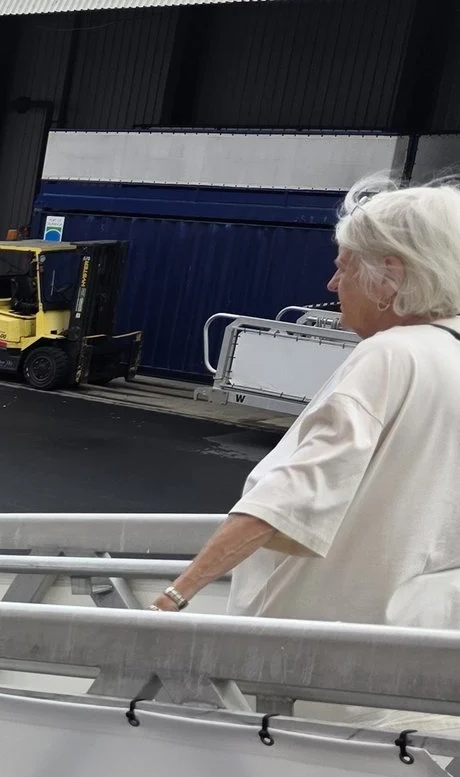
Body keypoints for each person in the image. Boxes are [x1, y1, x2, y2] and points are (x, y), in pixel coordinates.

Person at [154, 177, 460, 729]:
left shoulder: (389, 357)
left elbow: (291, 497)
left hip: (315, 670)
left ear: (390, 275)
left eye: (344, 266)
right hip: (420, 659)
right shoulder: (451, 353)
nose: (332, 281)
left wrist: (177, 595)